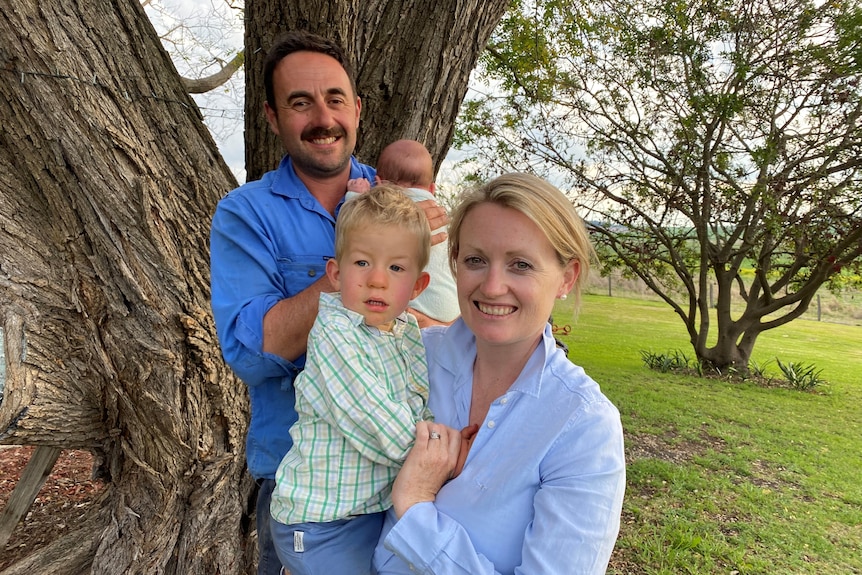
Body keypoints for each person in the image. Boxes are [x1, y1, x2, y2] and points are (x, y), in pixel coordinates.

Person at [208, 30, 447, 575]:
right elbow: (250, 351)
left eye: (335, 99)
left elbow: (445, 315)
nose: (322, 117)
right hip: (310, 495)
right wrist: (355, 275)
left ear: (357, 108)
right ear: (272, 117)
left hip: (406, 483)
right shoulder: (246, 214)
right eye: (300, 102)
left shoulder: (401, 199)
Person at [373, 173, 627, 575]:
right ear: (454, 263)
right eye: (476, 260)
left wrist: (418, 507)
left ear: (567, 277)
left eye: (520, 264)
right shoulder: (414, 356)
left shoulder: (581, 424)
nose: (492, 286)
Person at [268, 184, 434, 575]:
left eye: (396, 268)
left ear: (418, 286)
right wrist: (442, 455)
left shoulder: (406, 330)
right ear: (336, 273)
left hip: (369, 510)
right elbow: (383, 428)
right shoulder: (335, 333)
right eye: (362, 263)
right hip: (322, 522)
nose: (377, 280)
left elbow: (422, 402)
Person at [347, 140, 459, 328]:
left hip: (413, 309)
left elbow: (353, 228)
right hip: (450, 308)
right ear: (432, 189)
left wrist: (355, 196)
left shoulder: (385, 204)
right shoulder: (440, 214)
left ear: (379, 183)